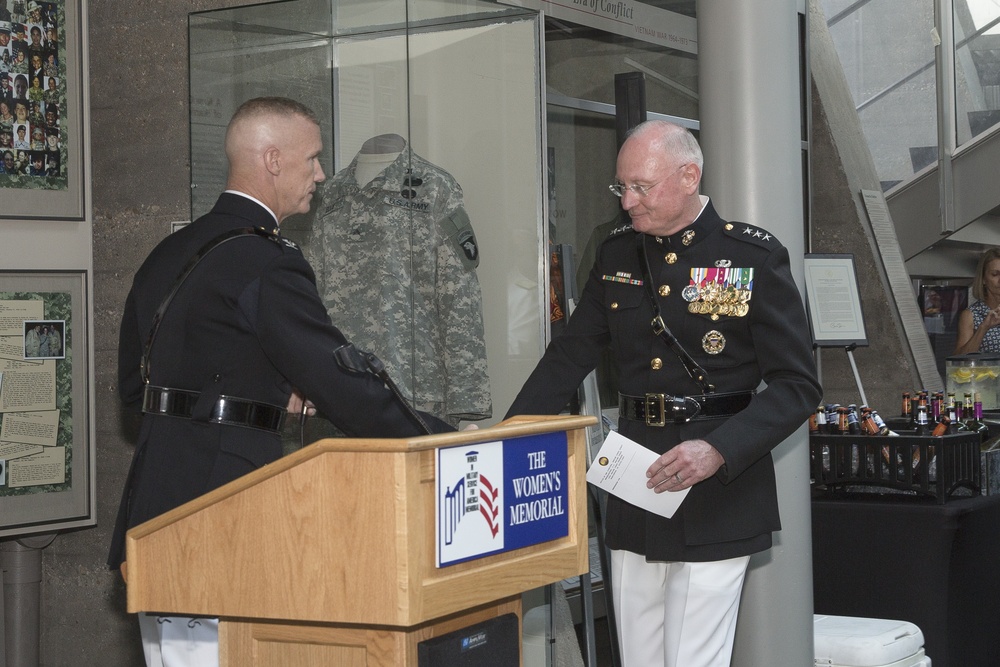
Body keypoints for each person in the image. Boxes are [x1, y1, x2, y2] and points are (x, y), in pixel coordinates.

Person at [110, 96, 454, 667]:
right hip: (230, 512)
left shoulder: (169, 252)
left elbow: (134, 387)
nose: (320, 173)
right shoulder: (267, 260)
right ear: (272, 160)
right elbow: (344, 383)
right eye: (313, 158)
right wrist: (440, 436)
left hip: (155, 512)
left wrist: (265, 383)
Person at [505, 120, 820, 667]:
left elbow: (798, 385)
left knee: (692, 658)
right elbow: (570, 353)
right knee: (640, 657)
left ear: (688, 175)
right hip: (635, 476)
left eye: (640, 187)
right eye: (620, 187)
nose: (627, 201)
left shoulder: (752, 257)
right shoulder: (618, 254)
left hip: (718, 484)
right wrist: (509, 433)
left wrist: (718, 448)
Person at [954, 246, 1000, 354]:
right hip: (987, 371)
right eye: (995, 274)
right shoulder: (971, 315)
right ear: (983, 279)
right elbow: (960, 361)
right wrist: (983, 328)